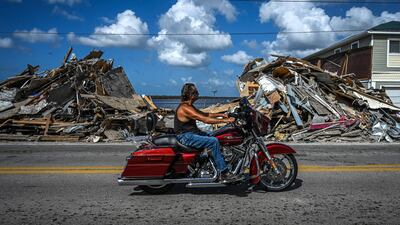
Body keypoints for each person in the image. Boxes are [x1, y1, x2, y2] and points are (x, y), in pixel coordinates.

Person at [174, 83, 237, 181]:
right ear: (191, 95)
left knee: (219, 135)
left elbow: (205, 114)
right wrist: (225, 121)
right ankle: (224, 172)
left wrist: (222, 114)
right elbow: (205, 120)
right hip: (186, 136)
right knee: (213, 141)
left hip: (192, 134)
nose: (198, 93)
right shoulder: (185, 108)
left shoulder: (189, 106)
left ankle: (211, 160)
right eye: (196, 92)